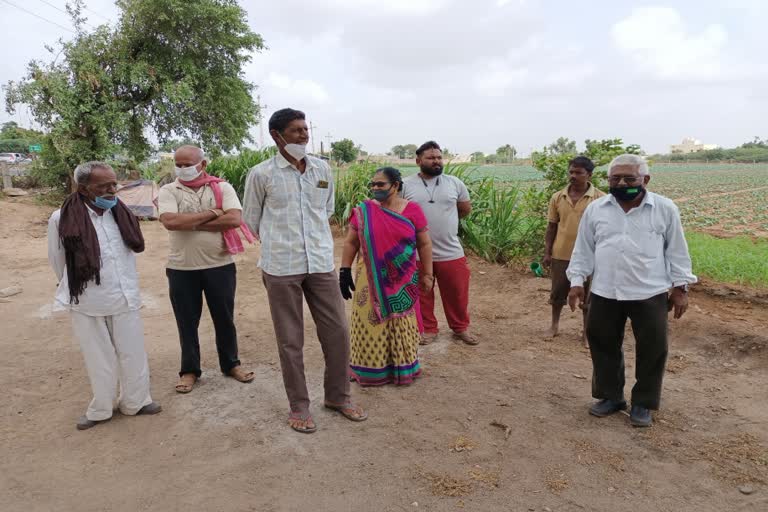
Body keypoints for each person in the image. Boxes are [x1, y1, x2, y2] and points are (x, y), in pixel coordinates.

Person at [243, 107, 367, 433]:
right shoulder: (261, 174)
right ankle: (299, 405)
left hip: (321, 263)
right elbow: (251, 221)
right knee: (290, 339)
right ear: (277, 135)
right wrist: (280, 243)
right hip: (282, 266)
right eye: (296, 130)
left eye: (305, 129)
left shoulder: (322, 169)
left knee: (337, 331)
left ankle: (338, 397)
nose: (304, 135)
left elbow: (324, 211)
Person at [567, 154, 697, 427]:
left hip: (649, 293)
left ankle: (644, 403)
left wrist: (681, 287)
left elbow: (677, 251)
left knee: (652, 349)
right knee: (603, 344)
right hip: (605, 291)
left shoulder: (664, 209)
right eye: (615, 178)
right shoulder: (597, 209)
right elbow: (583, 250)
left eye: (629, 178)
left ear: (645, 180)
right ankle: (611, 397)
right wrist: (577, 282)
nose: (622, 183)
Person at [47, 161, 160, 430]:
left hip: (124, 294)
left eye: (114, 183)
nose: (113, 189)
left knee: (133, 352)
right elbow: (58, 261)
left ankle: (136, 401)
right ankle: (102, 409)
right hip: (89, 299)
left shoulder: (120, 212)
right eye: (104, 186)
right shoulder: (61, 218)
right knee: (99, 356)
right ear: (84, 188)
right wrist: (77, 288)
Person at [158, 145, 255, 394]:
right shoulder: (169, 190)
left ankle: (231, 364)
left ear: (203, 164)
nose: (182, 169)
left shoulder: (222, 188)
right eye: (178, 165)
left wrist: (188, 222)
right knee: (186, 321)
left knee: (224, 318)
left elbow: (234, 219)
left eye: (187, 164)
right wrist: (213, 213)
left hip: (219, 265)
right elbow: (170, 221)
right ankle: (189, 370)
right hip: (181, 268)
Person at [340, 167, 434, 386]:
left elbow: (425, 243)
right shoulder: (364, 211)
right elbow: (351, 242)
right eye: (373, 184)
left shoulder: (412, 210)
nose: (375, 188)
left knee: (402, 321)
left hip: (403, 278)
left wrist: (428, 274)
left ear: (396, 185)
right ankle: (370, 369)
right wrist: (344, 270)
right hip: (369, 278)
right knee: (368, 321)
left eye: (380, 184)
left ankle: (402, 368)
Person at [402, 140, 477, 346]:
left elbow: (465, 209)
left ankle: (460, 327)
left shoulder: (454, 183)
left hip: (450, 250)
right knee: (422, 293)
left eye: (438, 157)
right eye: (430, 158)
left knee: (457, 291)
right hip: (416, 252)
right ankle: (428, 329)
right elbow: (397, 213)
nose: (436, 161)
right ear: (418, 161)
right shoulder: (405, 185)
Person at [543, 156, 605, 344]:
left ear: (589, 174)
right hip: (561, 253)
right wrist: (547, 252)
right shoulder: (558, 197)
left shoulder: (600, 199)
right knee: (557, 293)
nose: (573, 176)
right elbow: (551, 227)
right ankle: (554, 326)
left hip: (590, 256)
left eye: (578, 172)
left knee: (588, 296)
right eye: (571, 171)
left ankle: (586, 333)